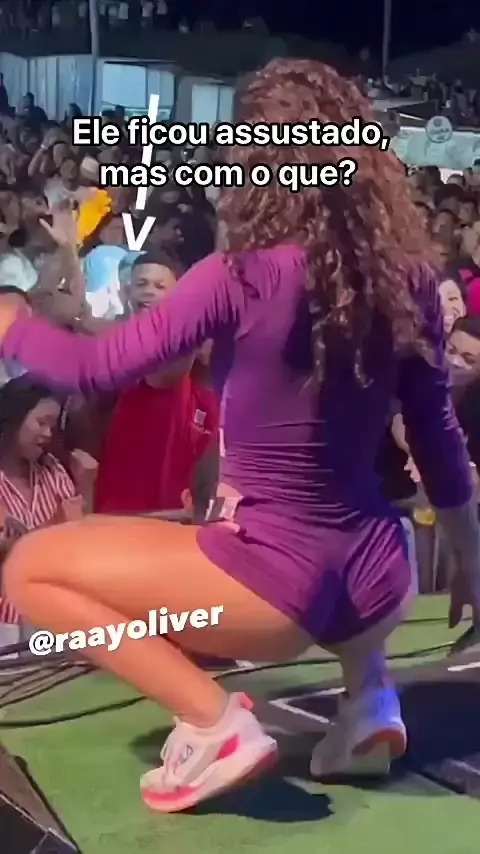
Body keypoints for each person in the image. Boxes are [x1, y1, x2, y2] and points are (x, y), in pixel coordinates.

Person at [0, 59, 478, 814]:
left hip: (274, 593)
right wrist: (472, 563)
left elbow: (97, 365)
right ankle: (369, 702)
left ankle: (213, 722)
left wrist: (15, 326)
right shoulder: (411, 279)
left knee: (31, 570)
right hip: (380, 580)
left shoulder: (239, 276)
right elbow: (438, 437)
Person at [94, 251, 219, 514]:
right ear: (126, 292)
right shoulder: (112, 351)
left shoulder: (184, 350)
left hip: (175, 520)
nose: (149, 291)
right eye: (141, 284)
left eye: (160, 286)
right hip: (118, 521)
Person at [0, 377, 84, 645]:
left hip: (56, 615)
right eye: (41, 422)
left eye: (52, 426)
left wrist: (87, 484)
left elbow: (81, 536)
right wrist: (55, 525)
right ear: (13, 419)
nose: (47, 434)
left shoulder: (52, 470)